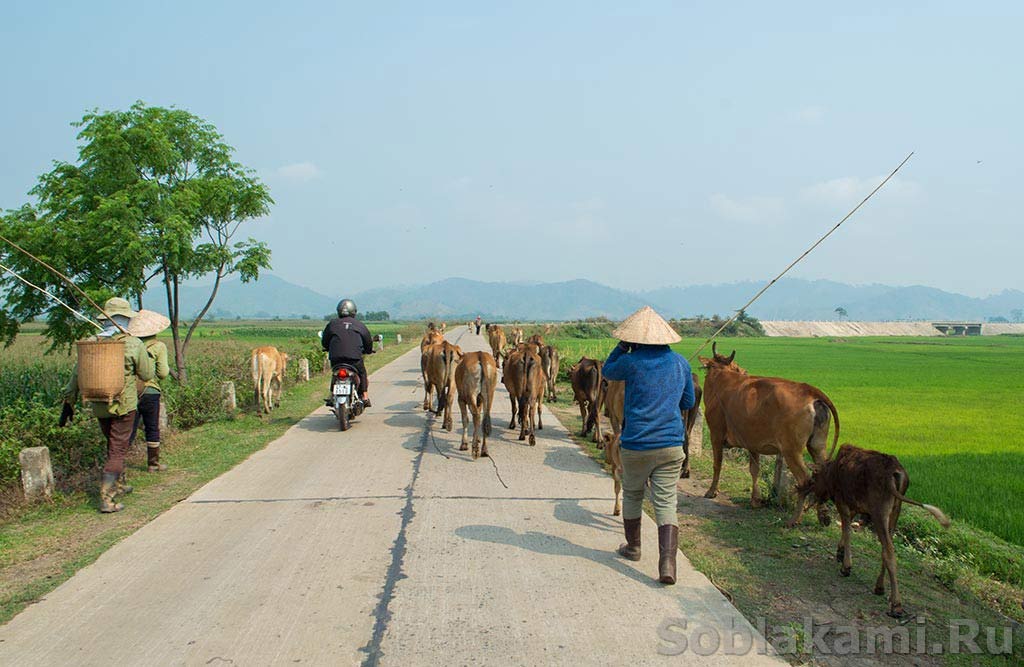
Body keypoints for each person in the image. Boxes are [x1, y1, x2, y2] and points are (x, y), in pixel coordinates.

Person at [602, 306, 695, 585]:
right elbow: (688, 403)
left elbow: (607, 371)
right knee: (666, 502)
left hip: (636, 445)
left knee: (632, 494)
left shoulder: (631, 362)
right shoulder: (680, 363)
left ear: (635, 339)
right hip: (670, 446)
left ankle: (633, 547)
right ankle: (667, 562)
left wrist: (621, 347)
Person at [63, 297, 154, 513]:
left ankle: (119, 484)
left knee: (113, 446)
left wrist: (69, 401)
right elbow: (147, 373)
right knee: (118, 449)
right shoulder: (132, 343)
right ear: (126, 320)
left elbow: (77, 375)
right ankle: (107, 498)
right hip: (124, 405)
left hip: (99, 405)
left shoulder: (91, 342)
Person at [128, 309, 171, 472]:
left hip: (130, 392)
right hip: (150, 391)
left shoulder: (129, 344)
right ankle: (153, 463)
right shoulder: (158, 346)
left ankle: (120, 465)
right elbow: (163, 373)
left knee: (128, 430)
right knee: (152, 427)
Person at [321, 298, 374, 407]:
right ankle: (364, 396)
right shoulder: (359, 325)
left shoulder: (332, 324)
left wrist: (327, 347)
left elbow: (325, 341)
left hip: (336, 359)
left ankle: (331, 394)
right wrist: (368, 350)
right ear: (354, 311)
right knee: (362, 373)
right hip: (354, 359)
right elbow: (368, 341)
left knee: (335, 374)